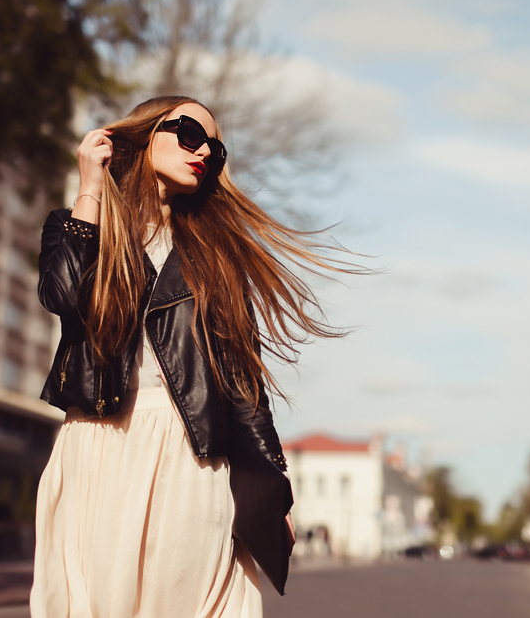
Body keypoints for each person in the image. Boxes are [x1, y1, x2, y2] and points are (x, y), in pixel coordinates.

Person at [30, 96, 353, 618]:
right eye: (187, 133)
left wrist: (273, 491)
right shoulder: (77, 228)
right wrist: (89, 189)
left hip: (191, 456)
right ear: (142, 137)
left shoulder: (216, 257)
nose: (203, 150)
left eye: (215, 148)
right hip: (101, 446)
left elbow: (243, 383)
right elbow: (64, 297)